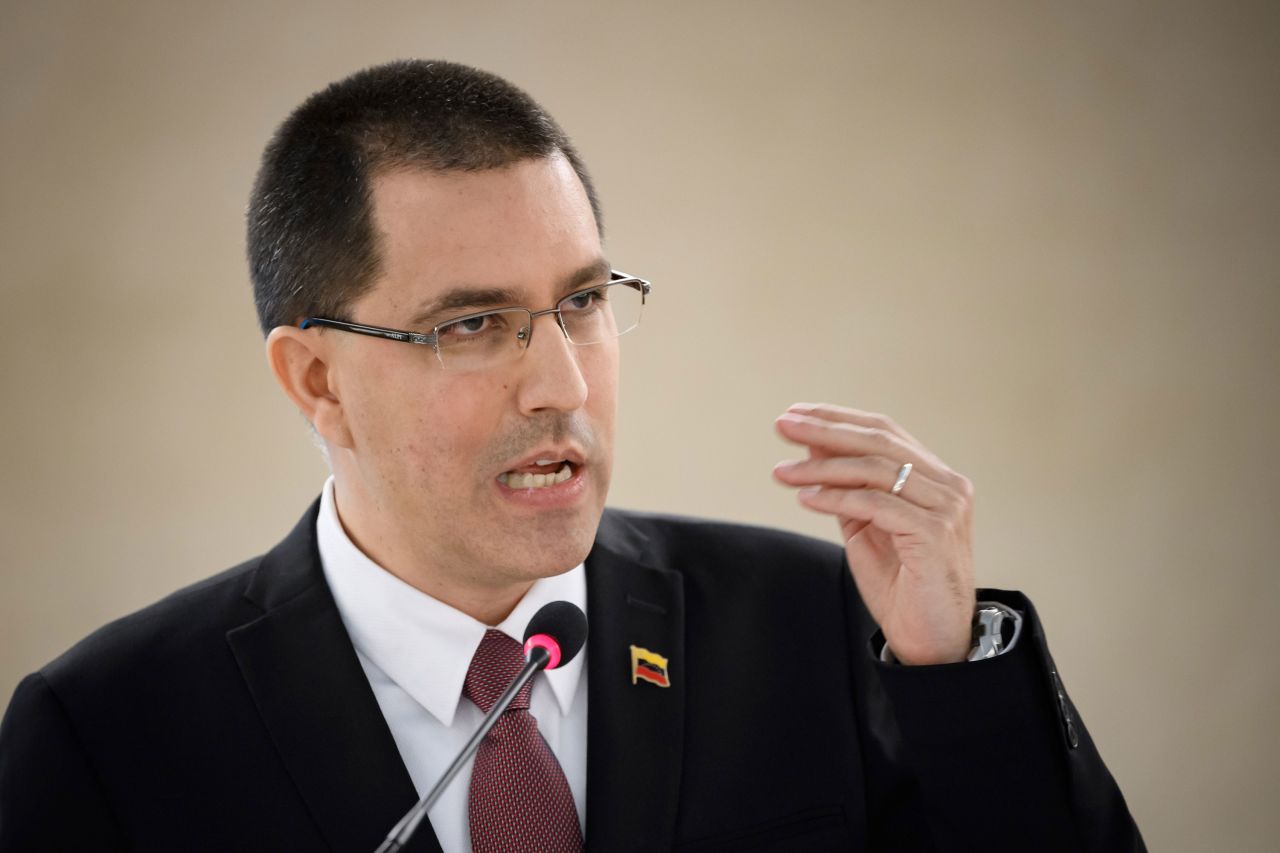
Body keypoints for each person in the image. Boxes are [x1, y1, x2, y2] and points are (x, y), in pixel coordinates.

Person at [0, 60, 1145, 852]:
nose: (559, 386)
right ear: (316, 380)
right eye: (470, 325)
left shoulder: (819, 628)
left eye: (583, 303)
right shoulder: (111, 732)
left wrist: (954, 675)